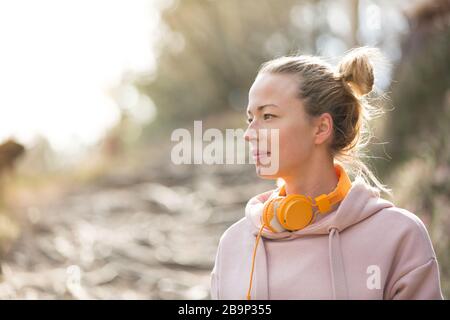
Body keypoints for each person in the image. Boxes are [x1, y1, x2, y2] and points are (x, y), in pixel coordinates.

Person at [209, 47, 443, 300]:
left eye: (268, 116)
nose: (249, 133)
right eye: (249, 119)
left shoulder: (399, 235)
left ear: (321, 128)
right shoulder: (235, 243)